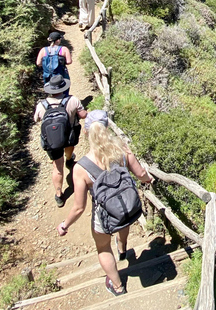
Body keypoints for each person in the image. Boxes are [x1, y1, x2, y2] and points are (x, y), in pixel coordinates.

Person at [56, 115, 154, 297]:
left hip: (104, 216)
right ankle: (123, 248)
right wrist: (149, 179)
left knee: (103, 248)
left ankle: (117, 286)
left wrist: (65, 225)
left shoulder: (81, 168)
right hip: (127, 208)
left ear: (85, 133)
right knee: (122, 222)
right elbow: (141, 174)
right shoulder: (123, 150)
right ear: (107, 127)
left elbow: (79, 207)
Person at [34, 75, 87, 207]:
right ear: (64, 87)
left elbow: (36, 119)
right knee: (69, 148)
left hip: (52, 140)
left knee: (57, 167)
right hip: (69, 136)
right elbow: (83, 115)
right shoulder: (72, 100)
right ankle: (69, 159)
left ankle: (59, 194)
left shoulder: (42, 105)